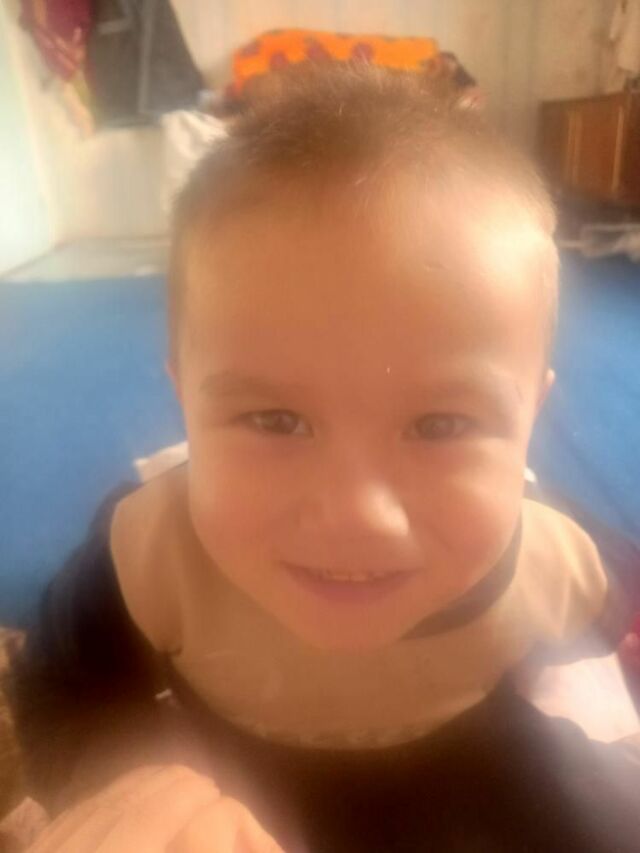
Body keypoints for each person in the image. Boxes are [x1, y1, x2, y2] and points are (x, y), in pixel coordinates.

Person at [8, 66, 640, 852]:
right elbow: (60, 688)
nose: (355, 514)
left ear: (529, 418)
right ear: (185, 402)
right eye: (275, 420)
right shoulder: (145, 550)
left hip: (482, 771)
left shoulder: (556, 554)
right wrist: (126, 781)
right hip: (234, 800)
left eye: (441, 423)